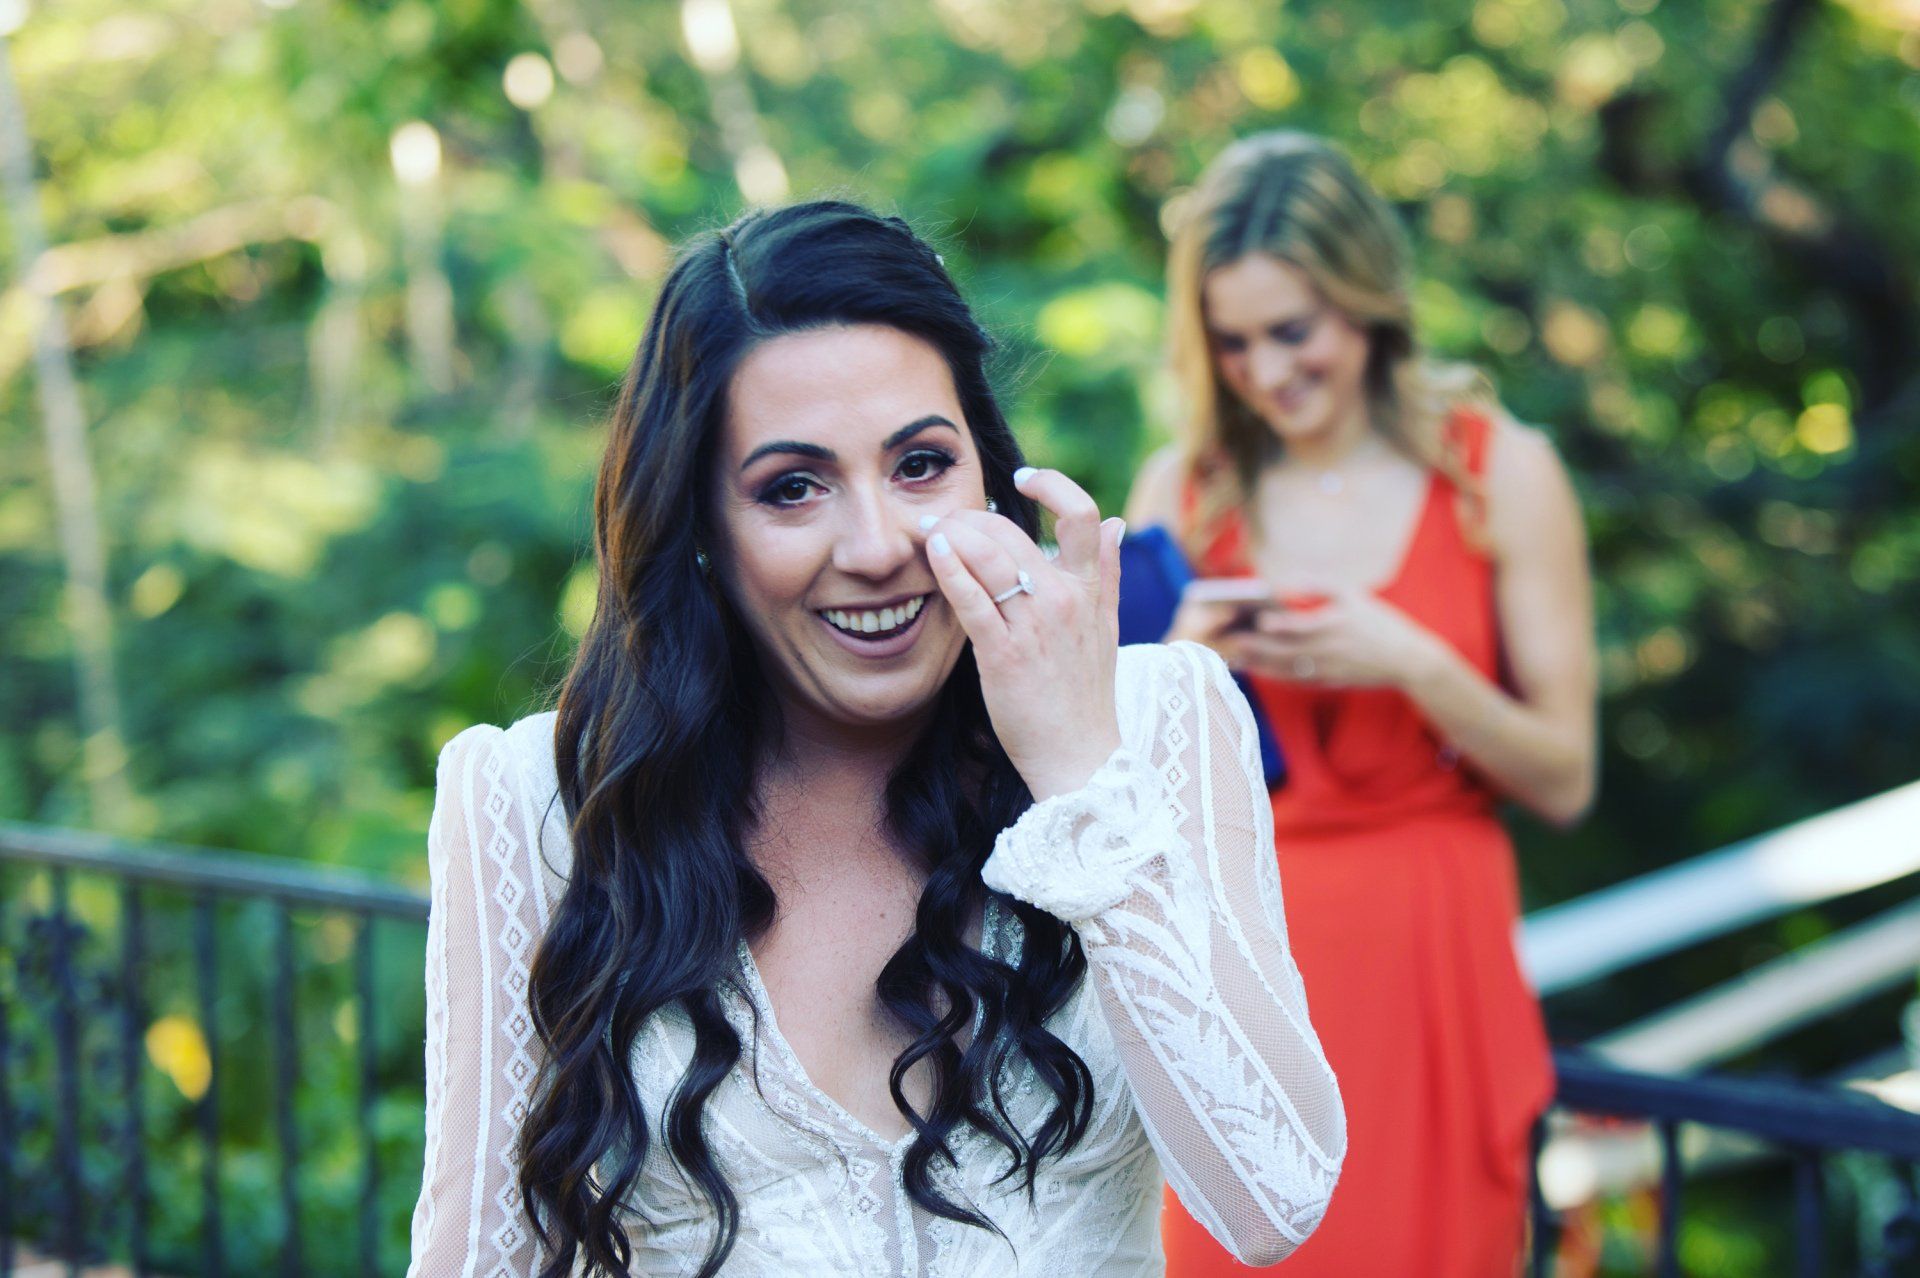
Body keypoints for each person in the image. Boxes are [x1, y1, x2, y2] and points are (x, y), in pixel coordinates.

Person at [406, 200, 1344, 1278]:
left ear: (989, 475)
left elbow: (1275, 1197)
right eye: (792, 489)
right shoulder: (533, 799)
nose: (876, 546)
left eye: (920, 466)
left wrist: (1081, 775)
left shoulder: (1159, 723)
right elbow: (478, 1260)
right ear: (700, 526)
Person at [1127, 134, 1596, 1277]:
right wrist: (1175, 670)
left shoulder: (1498, 470)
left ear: (1370, 301)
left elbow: (1566, 780)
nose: (1266, 372)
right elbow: (1116, 797)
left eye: (1294, 332)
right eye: (1232, 343)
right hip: (1246, 978)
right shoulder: (1180, 490)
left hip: (1433, 966)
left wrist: (1417, 663)